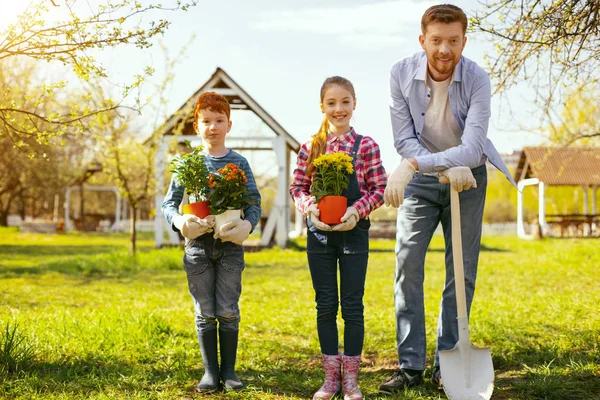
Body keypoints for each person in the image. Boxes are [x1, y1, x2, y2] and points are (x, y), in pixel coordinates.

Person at [378, 4, 516, 394]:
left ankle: (447, 361)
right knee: (407, 263)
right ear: (422, 40)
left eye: (453, 41)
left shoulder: (477, 79)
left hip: (466, 178)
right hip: (419, 177)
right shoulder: (400, 74)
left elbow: (473, 147)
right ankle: (409, 365)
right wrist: (423, 167)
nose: (444, 50)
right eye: (436, 40)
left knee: (462, 270)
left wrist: (424, 163)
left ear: (464, 41)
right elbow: (404, 138)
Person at [290, 76, 387, 400]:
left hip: (354, 234)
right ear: (322, 107)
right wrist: (311, 209)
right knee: (326, 305)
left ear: (354, 104)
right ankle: (331, 379)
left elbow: (379, 189)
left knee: (353, 307)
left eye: (345, 101)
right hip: (319, 236)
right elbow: (297, 188)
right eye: (331, 103)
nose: (339, 108)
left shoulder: (367, 146)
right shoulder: (310, 147)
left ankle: (351, 382)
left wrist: (356, 212)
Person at [161, 91, 261, 392]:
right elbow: (169, 204)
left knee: (228, 309)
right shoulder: (187, 164)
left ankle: (229, 372)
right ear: (196, 125)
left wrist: (247, 223)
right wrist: (181, 222)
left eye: (219, 121)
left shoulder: (239, 163)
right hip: (198, 248)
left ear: (229, 125)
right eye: (206, 121)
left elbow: (254, 202)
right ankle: (210, 372)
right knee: (205, 310)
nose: (213, 127)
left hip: (230, 247)